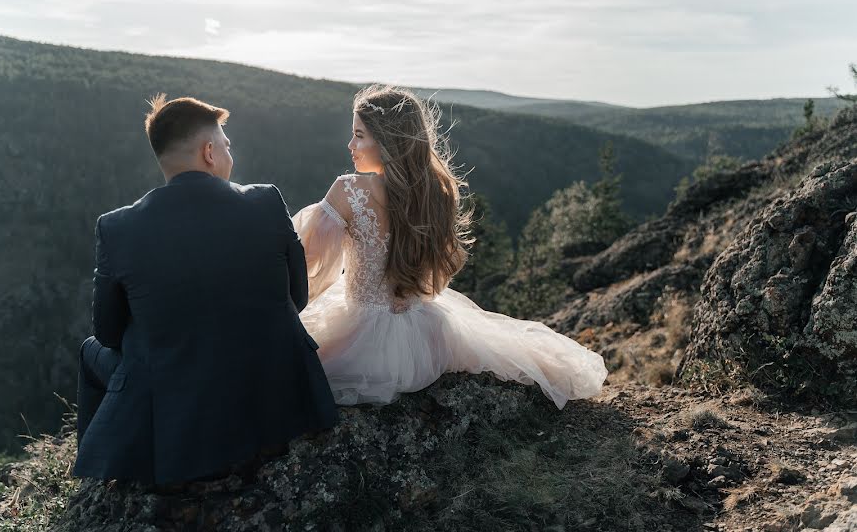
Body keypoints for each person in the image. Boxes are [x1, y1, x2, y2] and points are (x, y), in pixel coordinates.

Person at [74, 94, 337, 485]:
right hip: (279, 396)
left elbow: (110, 334)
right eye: (227, 147)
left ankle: (104, 475)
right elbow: (296, 299)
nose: (231, 156)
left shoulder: (116, 228)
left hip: (181, 416)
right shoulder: (266, 201)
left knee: (91, 349)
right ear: (210, 152)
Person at [292, 85, 608, 407]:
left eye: (359, 135)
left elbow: (307, 268)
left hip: (360, 339)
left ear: (388, 141)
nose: (350, 145)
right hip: (424, 337)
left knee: (288, 369)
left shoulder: (348, 191)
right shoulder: (436, 193)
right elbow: (434, 279)